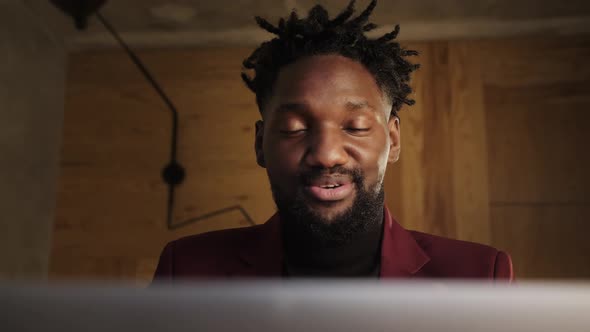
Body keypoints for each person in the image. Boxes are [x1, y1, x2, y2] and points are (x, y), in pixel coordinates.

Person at [153, 0, 513, 280]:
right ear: (261, 144)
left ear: (393, 138)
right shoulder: (186, 270)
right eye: (295, 127)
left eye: (355, 126)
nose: (326, 155)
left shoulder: (479, 275)